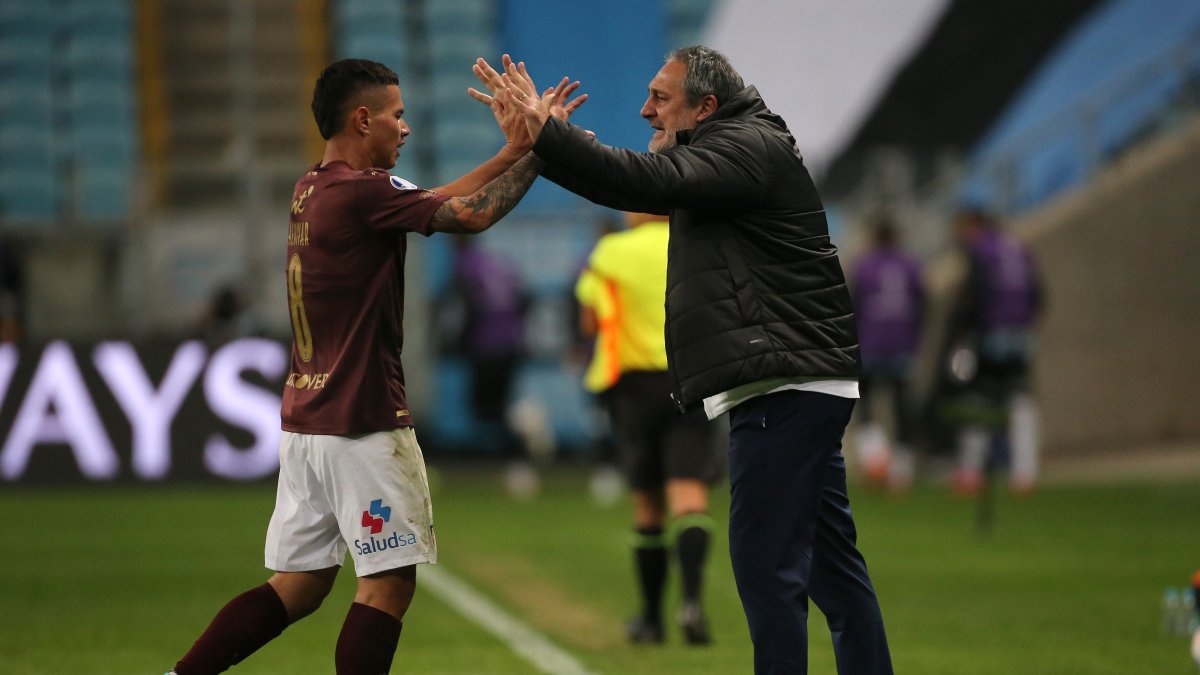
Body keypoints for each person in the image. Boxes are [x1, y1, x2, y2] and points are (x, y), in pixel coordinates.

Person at [166, 57, 584, 675]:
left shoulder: (313, 185)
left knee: (299, 585)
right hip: (361, 420)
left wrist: (522, 149)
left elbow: (448, 200)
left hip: (307, 421)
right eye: (397, 115)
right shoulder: (364, 192)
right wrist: (542, 149)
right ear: (363, 119)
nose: (406, 128)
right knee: (387, 586)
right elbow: (470, 213)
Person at [489, 46, 893, 673]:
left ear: (707, 106)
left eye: (661, 97)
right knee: (833, 575)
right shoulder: (741, 146)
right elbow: (632, 183)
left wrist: (551, 136)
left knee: (767, 570)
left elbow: (647, 182)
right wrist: (543, 147)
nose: (645, 108)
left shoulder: (744, 148)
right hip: (794, 380)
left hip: (781, 383)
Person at [574, 210, 720, 645]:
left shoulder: (611, 251)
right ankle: (692, 603)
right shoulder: (697, 245)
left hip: (635, 387)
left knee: (648, 507)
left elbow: (591, 321)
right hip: (692, 378)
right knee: (690, 496)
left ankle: (652, 620)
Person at [946, 207, 1044, 495]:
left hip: (989, 334)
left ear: (975, 225)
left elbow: (975, 294)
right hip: (1021, 333)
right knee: (1021, 398)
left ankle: (971, 471)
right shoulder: (1018, 249)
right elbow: (1039, 293)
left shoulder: (981, 252)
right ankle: (1025, 473)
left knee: (978, 398)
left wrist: (962, 332)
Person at [850, 214, 926, 492]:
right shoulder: (911, 265)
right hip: (902, 345)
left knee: (866, 401)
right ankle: (901, 470)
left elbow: (853, 304)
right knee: (902, 406)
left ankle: (875, 456)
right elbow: (921, 303)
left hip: (871, 344)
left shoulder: (865, 266)